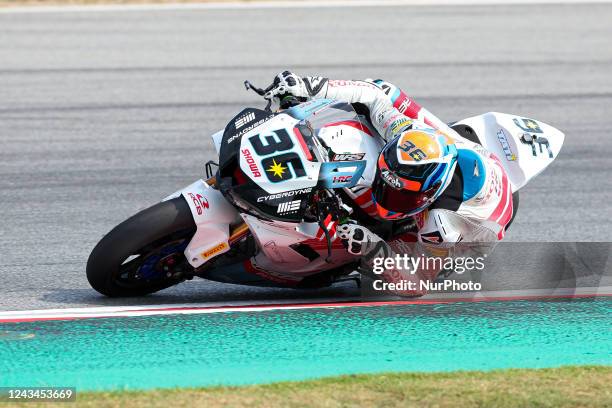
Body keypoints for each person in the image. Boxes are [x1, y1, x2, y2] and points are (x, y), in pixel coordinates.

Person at [264, 71, 514, 296]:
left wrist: (371, 246)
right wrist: (307, 87)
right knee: (382, 87)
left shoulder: (440, 226)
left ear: (429, 194)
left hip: (476, 227)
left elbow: (416, 285)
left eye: (400, 195)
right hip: (466, 151)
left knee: (377, 268)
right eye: (387, 183)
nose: (386, 196)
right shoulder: (406, 133)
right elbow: (373, 95)